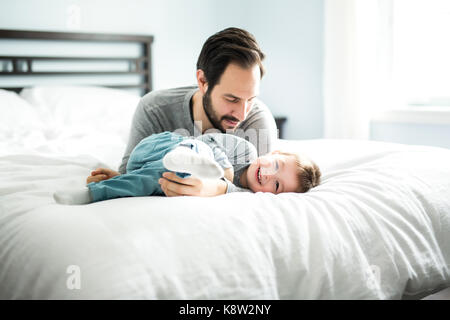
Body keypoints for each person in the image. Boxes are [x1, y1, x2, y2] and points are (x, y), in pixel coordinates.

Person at [87, 27, 278, 197]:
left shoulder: (258, 120)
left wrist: (218, 189)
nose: (243, 114)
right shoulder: (154, 110)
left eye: (251, 99)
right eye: (232, 99)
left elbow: (262, 191)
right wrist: (118, 181)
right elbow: (132, 172)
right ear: (202, 81)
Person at [53, 132, 321, 205]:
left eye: (276, 184)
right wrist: (224, 173)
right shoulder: (247, 151)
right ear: (273, 153)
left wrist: (124, 176)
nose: (268, 174)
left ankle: (90, 195)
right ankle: (184, 156)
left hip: (152, 167)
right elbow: (207, 141)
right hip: (161, 145)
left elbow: (224, 190)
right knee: (196, 149)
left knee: (161, 180)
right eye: (276, 165)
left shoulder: (242, 195)